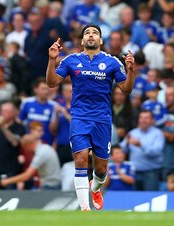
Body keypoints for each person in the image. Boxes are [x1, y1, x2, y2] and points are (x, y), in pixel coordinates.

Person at [46, 24, 135, 211]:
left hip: (102, 119)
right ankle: (85, 209)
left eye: (95, 33)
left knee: (101, 168)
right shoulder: (71, 60)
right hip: (79, 116)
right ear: (82, 40)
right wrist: (52, 60)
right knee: (80, 160)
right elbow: (52, 83)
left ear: (101, 40)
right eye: (87, 33)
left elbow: (125, 89)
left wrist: (131, 71)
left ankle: (96, 188)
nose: (91, 35)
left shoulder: (112, 62)